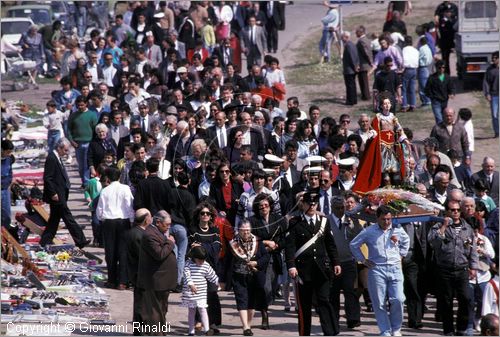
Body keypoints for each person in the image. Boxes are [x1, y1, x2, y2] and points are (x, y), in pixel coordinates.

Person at [285, 189, 342, 336]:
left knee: (324, 300)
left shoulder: (324, 221)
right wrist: (291, 265)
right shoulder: (294, 222)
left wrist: (336, 262)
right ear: (302, 205)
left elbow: (330, 244)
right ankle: (305, 333)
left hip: (321, 270)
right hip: (303, 271)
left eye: (314, 204)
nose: (312, 207)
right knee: (304, 306)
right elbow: (290, 246)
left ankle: (330, 332)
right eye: (309, 204)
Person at [350, 205, 410, 336]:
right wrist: (363, 260)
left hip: (395, 267)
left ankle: (396, 328)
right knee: (379, 301)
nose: (387, 222)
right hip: (377, 268)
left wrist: (401, 255)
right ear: (377, 218)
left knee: (398, 299)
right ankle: (385, 330)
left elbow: (406, 240)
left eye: (389, 219)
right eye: (383, 219)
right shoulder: (369, 231)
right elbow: (354, 245)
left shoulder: (397, 229)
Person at [428, 200, 479, 336]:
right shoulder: (438, 226)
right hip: (444, 269)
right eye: (452, 210)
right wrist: (444, 226)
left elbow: (472, 249)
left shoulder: (466, 228)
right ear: (447, 211)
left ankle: (461, 328)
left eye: (457, 210)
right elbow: (433, 242)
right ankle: (448, 330)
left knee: (466, 298)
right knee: (446, 301)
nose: (455, 212)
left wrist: (473, 266)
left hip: (461, 269)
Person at [353, 96, 410, 194]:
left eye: (388, 103)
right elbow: (374, 129)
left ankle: (397, 193)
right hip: (382, 148)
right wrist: (372, 134)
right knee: (386, 176)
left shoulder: (393, 117)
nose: (387, 105)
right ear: (381, 106)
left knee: (396, 174)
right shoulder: (378, 117)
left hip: (392, 148)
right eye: (385, 104)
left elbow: (399, 129)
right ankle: (388, 194)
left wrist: (404, 138)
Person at [40, 138, 90, 248]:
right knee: (68, 217)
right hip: (57, 195)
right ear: (59, 148)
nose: (66, 153)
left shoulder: (57, 157)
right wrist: (53, 193)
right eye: (65, 150)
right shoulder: (52, 158)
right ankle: (80, 240)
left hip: (60, 193)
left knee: (54, 220)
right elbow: (48, 178)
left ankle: (44, 242)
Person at [248, 193, 288, 330]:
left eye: (266, 205)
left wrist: (276, 245)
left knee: (272, 286)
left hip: (275, 257)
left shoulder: (279, 220)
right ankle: (265, 315)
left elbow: (284, 240)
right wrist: (265, 242)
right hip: (260, 258)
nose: (264, 208)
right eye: (261, 206)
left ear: (270, 206)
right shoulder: (252, 221)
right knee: (264, 287)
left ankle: (265, 305)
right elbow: (249, 239)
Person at [136, 210, 177, 336]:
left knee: (162, 309)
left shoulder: (159, 232)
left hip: (163, 281)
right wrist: (170, 242)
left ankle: (161, 333)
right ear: (158, 222)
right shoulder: (149, 235)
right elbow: (159, 254)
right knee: (155, 311)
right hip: (155, 281)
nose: (169, 227)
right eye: (167, 224)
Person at [229, 220, 270, 336]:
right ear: (239, 230)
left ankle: (248, 324)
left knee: (251, 301)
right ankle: (245, 327)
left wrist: (256, 263)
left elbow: (266, 256)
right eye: (243, 229)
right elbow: (227, 261)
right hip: (238, 276)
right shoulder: (233, 243)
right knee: (241, 300)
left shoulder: (257, 241)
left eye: (248, 229)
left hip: (254, 276)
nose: (246, 231)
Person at [328, 196, 363, 329]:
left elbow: (361, 235)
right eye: (338, 208)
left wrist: (353, 228)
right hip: (332, 263)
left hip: (349, 261)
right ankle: (333, 319)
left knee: (350, 290)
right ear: (332, 208)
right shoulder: (326, 220)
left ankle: (353, 318)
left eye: (342, 207)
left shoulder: (351, 220)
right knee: (333, 293)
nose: (341, 210)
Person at [96, 166, 134, 290]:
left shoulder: (105, 190)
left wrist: (103, 219)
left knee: (110, 251)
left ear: (107, 177)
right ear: (120, 176)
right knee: (123, 251)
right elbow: (129, 205)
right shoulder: (125, 188)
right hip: (123, 221)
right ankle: (122, 281)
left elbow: (99, 210)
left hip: (109, 222)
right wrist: (132, 220)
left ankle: (111, 279)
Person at [182, 246, 219, 336]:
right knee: (191, 311)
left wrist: (217, 282)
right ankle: (191, 330)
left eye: (203, 260)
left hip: (201, 292)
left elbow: (211, 274)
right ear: (194, 257)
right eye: (199, 260)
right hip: (190, 292)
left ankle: (207, 330)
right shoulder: (188, 264)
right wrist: (191, 284)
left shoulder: (205, 265)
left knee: (203, 309)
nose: (201, 262)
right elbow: (186, 274)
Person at [127, 208, 152, 336]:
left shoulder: (135, 232)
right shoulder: (139, 235)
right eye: (150, 216)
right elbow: (143, 255)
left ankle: (138, 329)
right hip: (140, 273)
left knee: (139, 302)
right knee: (142, 304)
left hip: (136, 272)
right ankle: (141, 330)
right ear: (146, 219)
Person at [67, 95, 98, 188]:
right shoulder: (73, 116)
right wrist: (71, 141)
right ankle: (83, 181)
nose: (80, 107)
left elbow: (95, 130)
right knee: (80, 166)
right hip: (78, 144)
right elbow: (68, 129)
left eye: (82, 105)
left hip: (89, 143)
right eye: (78, 105)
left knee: (86, 164)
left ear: (86, 104)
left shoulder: (92, 115)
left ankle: (86, 183)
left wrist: (93, 142)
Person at [425, 60, 455, 124]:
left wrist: (451, 93)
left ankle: (443, 131)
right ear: (436, 68)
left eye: (443, 67)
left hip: (444, 101)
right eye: (439, 68)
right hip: (436, 101)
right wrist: (432, 97)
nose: (441, 69)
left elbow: (451, 87)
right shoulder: (432, 78)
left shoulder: (447, 77)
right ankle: (440, 131)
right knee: (439, 118)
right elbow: (427, 90)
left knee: (444, 117)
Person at [1, 140, 16, 238]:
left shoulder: (10, 159)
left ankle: (6, 235)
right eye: (8, 152)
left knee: (6, 214)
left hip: (5, 189)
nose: (9, 154)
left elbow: (10, 172)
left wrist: (9, 182)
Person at [483, 51, 499, 138]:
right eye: (493, 58)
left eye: (496, 58)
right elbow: (486, 82)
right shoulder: (490, 70)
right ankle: (497, 132)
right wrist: (487, 93)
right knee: (495, 114)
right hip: (494, 95)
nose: (493, 59)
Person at [341, 31, 360, 106]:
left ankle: (350, 101)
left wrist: (355, 67)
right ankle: (354, 100)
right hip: (352, 69)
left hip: (349, 70)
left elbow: (352, 57)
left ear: (346, 37)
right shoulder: (352, 44)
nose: (341, 39)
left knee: (350, 86)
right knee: (352, 85)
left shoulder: (348, 45)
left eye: (342, 37)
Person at [356, 25, 373, 101]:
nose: (356, 33)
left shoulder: (361, 41)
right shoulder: (367, 39)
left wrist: (370, 61)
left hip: (363, 64)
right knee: (364, 80)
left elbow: (366, 52)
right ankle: (365, 95)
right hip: (365, 63)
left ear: (360, 32)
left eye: (357, 32)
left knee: (363, 81)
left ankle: (366, 96)